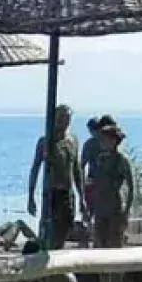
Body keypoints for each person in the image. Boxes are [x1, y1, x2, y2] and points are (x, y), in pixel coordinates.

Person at [27, 104, 86, 250]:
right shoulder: (46, 142)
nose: (64, 122)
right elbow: (35, 168)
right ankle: (48, 252)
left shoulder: (72, 141)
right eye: (61, 118)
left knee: (66, 225)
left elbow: (77, 170)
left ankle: (58, 251)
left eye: (67, 118)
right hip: (51, 193)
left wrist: (82, 197)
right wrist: (31, 196)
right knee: (49, 227)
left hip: (68, 192)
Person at [91, 122, 134, 282]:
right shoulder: (100, 158)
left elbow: (131, 187)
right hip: (100, 208)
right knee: (100, 249)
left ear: (113, 140)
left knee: (115, 250)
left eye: (104, 139)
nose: (101, 142)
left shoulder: (122, 160)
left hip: (115, 208)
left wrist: (126, 212)